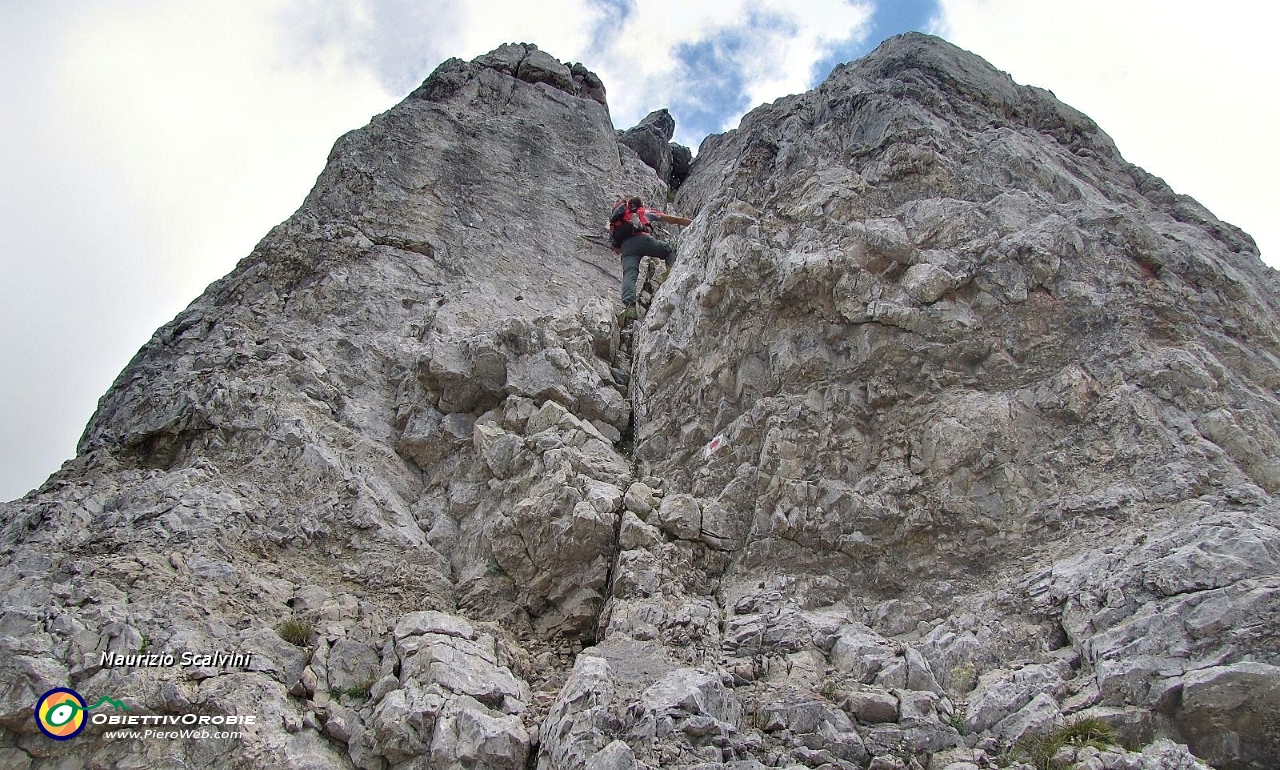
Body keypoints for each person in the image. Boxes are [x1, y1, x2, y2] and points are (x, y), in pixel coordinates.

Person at [609, 196, 692, 320]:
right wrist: (694, 222)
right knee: (668, 250)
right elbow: (674, 219)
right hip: (643, 239)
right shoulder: (644, 212)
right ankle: (672, 276)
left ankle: (630, 309)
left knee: (629, 275)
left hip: (627, 248)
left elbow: (616, 248)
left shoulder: (618, 222)